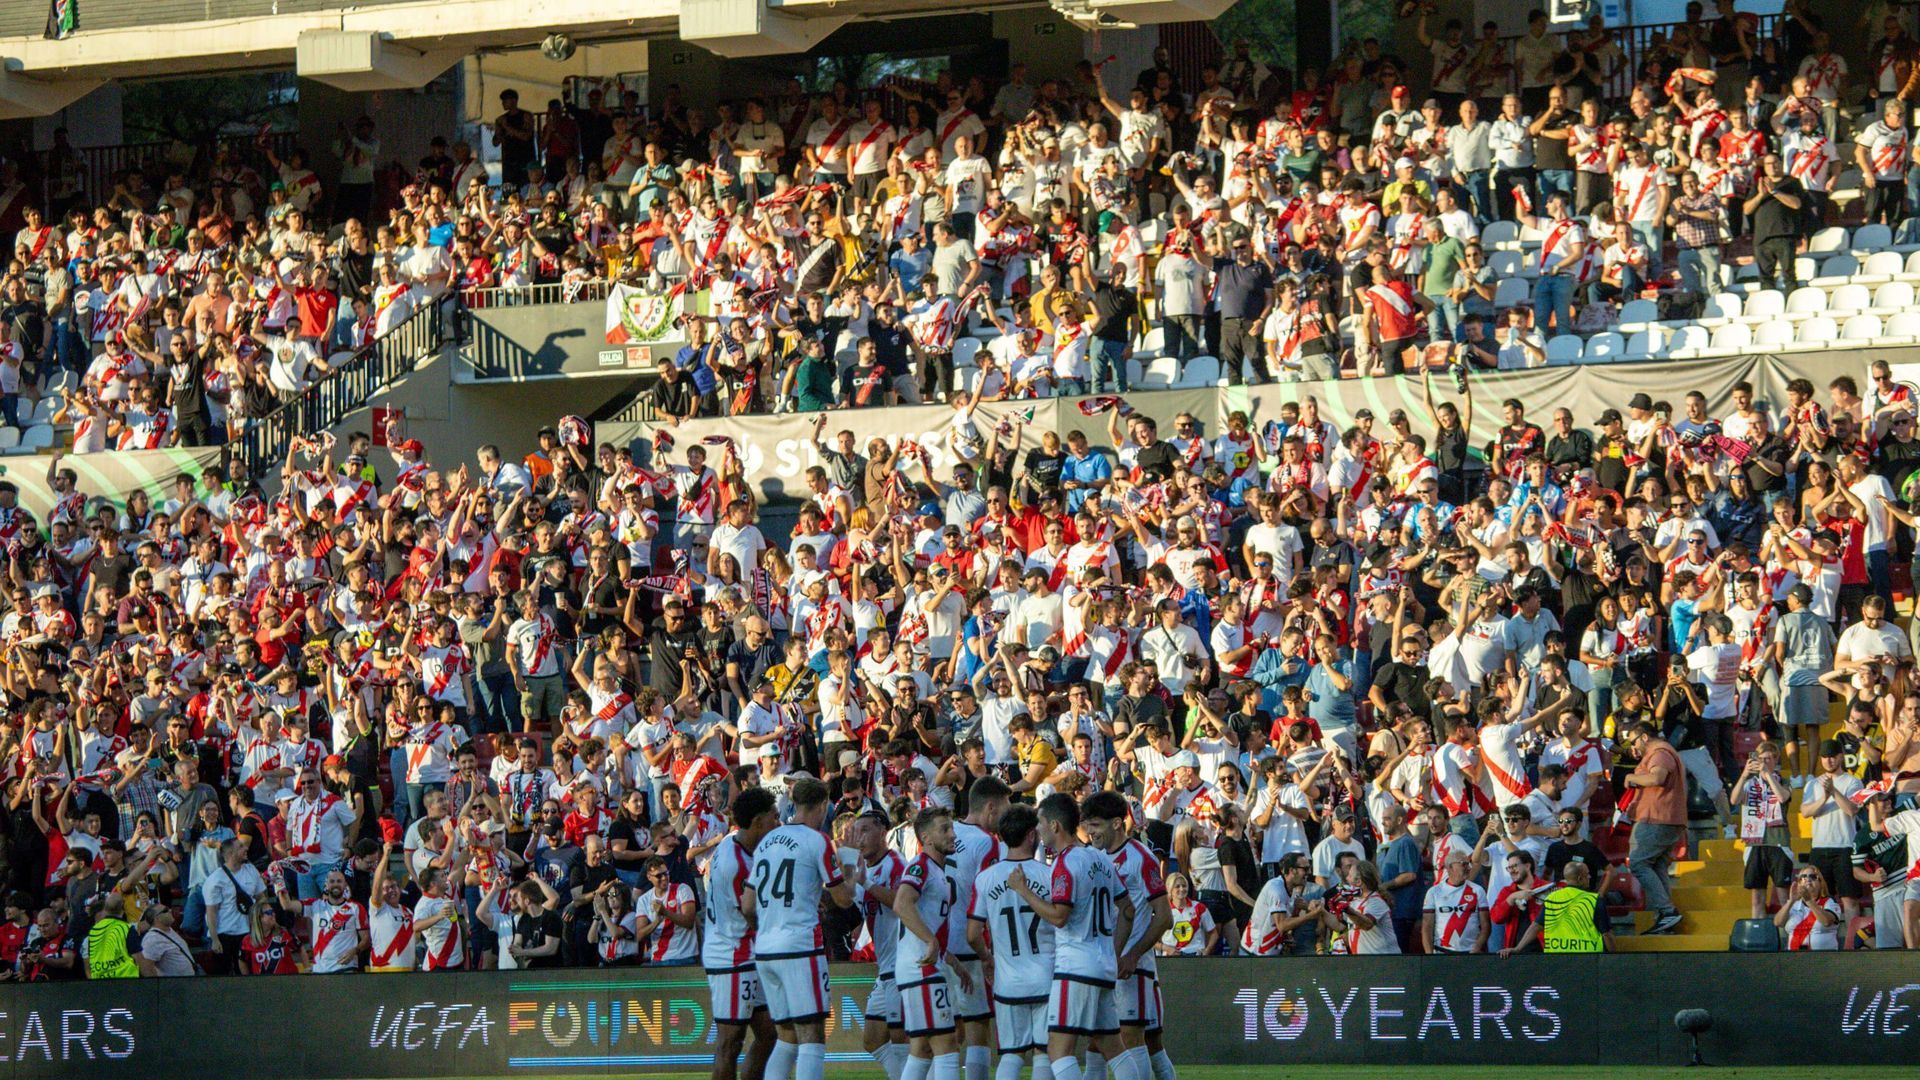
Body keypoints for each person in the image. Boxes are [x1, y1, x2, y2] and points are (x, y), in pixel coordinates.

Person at [1009, 794, 1135, 1080]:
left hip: (1076, 967)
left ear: (1054, 825)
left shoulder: (1065, 863)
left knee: (1058, 1049)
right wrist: (1114, 952)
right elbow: (1128, 909)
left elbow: (1059, 916)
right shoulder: (1100, 858)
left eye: (1041, 823)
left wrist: (1023, 890)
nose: (1038, 830)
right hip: (1103, 965)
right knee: (1113, 1047)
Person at [746, 778, 855, 1080]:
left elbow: (747, 905)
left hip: (766, 950)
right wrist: (850, 860)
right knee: (811, 1035)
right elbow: (844, 898)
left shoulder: (767, 841)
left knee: (787, 1037)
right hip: (800, 948)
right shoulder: (817, 840)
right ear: (823, 805)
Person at [1620, 720, 1687, 935]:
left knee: (1638, 863)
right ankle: (1665, 918)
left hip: (1657, 818)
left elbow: (1657, 777)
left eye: (1634, 742)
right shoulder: (1662, 752)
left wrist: (1631, 777)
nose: (1633, 747)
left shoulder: (1659, 753)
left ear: (1644, 737)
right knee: (1657, 866)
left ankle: (1667, 911)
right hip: (1664, 818)